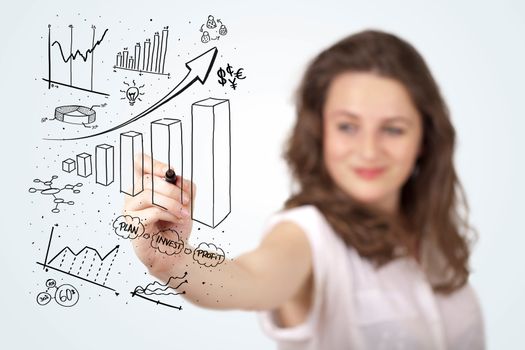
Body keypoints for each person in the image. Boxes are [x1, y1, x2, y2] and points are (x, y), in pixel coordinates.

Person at [124, 29, 485, 349]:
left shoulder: (431, 239)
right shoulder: (306, 234)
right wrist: (175, 263)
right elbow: (251, 279)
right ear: (320, 133)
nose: (370, 150)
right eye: (347, 126)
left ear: (424, 138)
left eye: (393, 129)